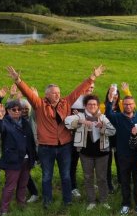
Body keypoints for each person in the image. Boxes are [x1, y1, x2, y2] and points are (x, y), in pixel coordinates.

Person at [7, 64, 104, 208]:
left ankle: (67, 200)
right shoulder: (39, 104)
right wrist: (18, 80)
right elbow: (28, 93)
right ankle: (47, 201)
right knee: (47, 176)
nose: (57, 94)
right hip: (46, 148)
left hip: (65, 146)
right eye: (53, 93)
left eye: (58, 92)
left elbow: (79, 91)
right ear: (46, 94)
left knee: (65, 175)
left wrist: (92, 77)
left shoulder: (66, 102)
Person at [65, 95, 117, 210]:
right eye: (89, 104)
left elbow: (113, 131)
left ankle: (104, 201)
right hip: (85, 153)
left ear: (98, 106)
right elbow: (67, 122)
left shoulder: (102, 117)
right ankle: (91, 201)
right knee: (88, 177)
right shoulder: (80, 116)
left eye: (94, 104)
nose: (92, 106)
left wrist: (102, 126)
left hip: (102, 153)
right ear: (85, 106)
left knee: (102, 178)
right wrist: (81, 121)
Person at [0, 99, 37, 216]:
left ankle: (21, 203)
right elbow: (0, 129)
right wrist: (0, 117)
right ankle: (4, 209)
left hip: (27, 158)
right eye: (14, 109)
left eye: (19, 109)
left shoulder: (25, 122)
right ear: (8, 110)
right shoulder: (4, 122)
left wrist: (33, 156)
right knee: (10, 186)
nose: (17, 111)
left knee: (23, 184)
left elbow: (31, 141)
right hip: (12, 159)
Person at [106, 94, 137, 215]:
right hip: (123, 154)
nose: (128, 106)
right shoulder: (117, 117)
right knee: (124, 180)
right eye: (126, 104)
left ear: (134, 105)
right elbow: (108, 114)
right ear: (122, 105)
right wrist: (110, 100)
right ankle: (126, 204)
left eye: (130, 104)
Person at [69, 82, 96, 199]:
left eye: (92, 87)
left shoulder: (93, 102)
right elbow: (71, 121)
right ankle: (72, 187)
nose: (90, 89)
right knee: (73, 163)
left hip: (89, 138)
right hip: (75, 138)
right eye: (89, 86)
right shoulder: (75, 102)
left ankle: (89, 183)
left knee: (89, 163)